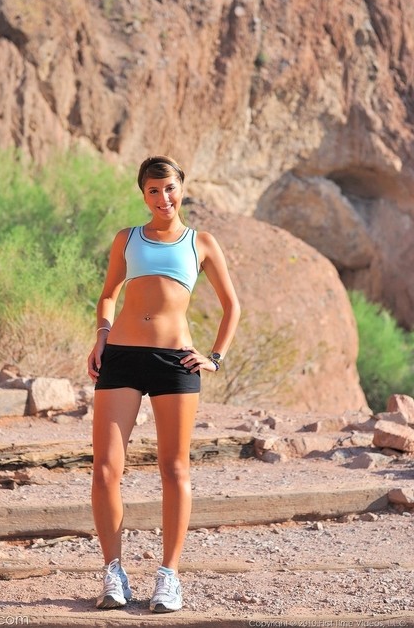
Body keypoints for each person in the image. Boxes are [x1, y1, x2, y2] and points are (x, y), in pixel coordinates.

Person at [87, 155, 240, 613]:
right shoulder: (127, 239)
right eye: (153, 191)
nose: (163, 198)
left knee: (174, 470)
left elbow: (232, 306)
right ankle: (113, 574)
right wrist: (101, 336)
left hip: (177, 362)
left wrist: (214, 358)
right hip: (121, 358)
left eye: (169, 188)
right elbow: (109, 294)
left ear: (181, 188)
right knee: (106, 469)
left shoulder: (202, 243)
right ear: (143, 194)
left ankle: (168, 578)